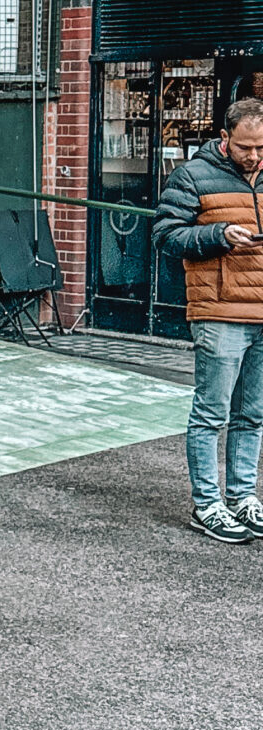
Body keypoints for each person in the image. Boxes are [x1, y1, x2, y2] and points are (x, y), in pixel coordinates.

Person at [155, 94, 263, 542]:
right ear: (225, 138)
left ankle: (243, 497)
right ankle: (207, 504)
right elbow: (165, 234)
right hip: (218, 310)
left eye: (262, 148)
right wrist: (219, 234)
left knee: (253, 414)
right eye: (245, 148)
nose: (255, 157)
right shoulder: (192, 176)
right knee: (211, 413)